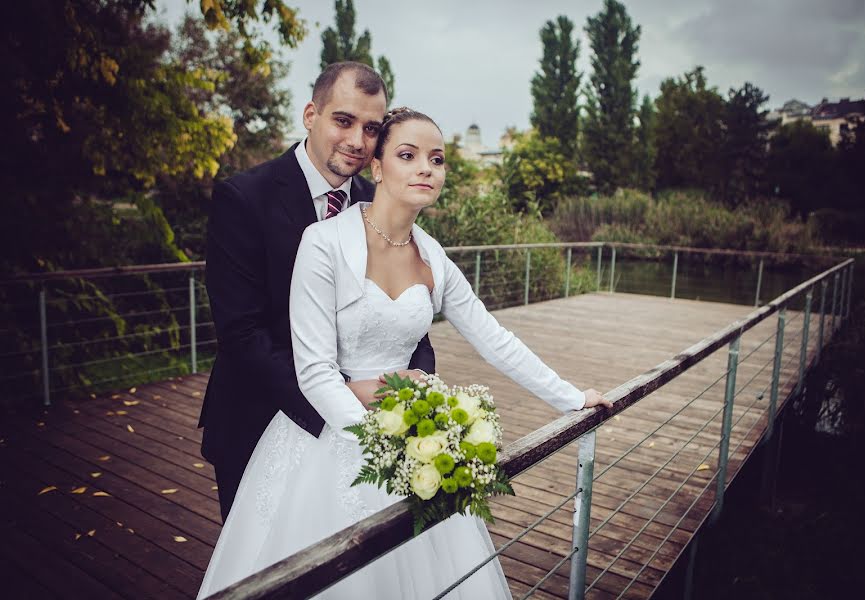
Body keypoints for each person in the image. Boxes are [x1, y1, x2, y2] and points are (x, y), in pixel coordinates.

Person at [197, 107, 611, 599]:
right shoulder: (324, 242)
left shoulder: (434, 256)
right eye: (408, 155)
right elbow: (313, 371)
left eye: (436, 159)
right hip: (329, 441)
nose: (425, 169)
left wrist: (569, 397)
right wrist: (382, 448)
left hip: (415, 443)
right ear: (377, 167)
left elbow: (493, 337)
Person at [198, 62, 435, 523]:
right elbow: (241, 332)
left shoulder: (379, 197)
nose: (356, 140)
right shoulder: (244, 198)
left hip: (373, 426)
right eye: (343, 121)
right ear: (311, 114)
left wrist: (416, 382)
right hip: (261, 418)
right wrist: (342, 395)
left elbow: (407, 302)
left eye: (371, 128)